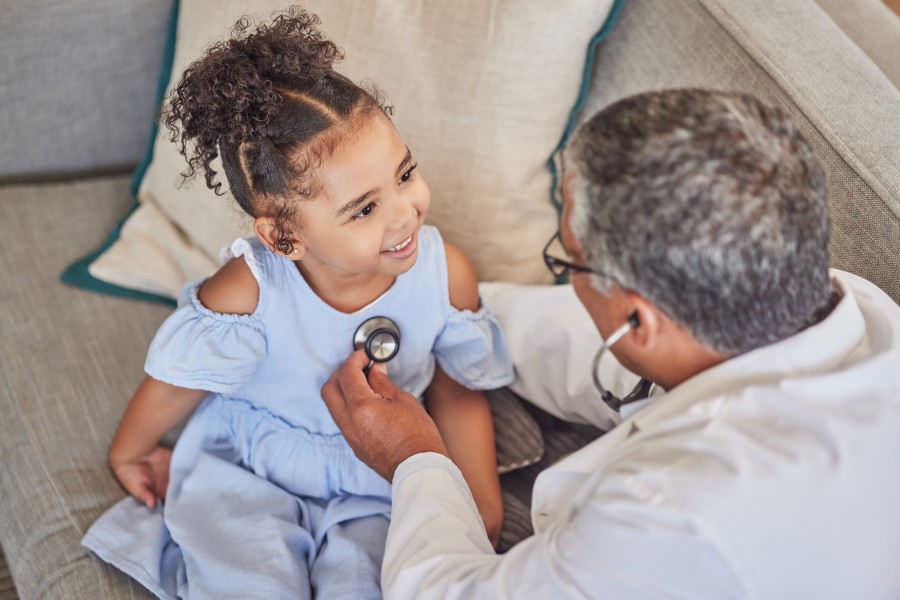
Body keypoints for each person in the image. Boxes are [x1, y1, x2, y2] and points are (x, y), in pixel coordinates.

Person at [322, 88, 900, 599]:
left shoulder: (676, 509)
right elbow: (562, 338)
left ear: (639, 321)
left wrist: (414, 459)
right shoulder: (849, 308)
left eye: (566, 256)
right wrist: (441, 308)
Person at [81, 9, 513, 599]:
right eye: (364, 209)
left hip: (379, 476)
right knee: (249, 582)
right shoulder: (249, 288)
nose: (405, 212)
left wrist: (480, 503)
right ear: (284, 238)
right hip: (253, 468)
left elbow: (458, 391)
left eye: (405, 174)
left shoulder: (446, 275)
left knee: (367, 584)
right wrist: (129, 451)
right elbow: (177, 381)